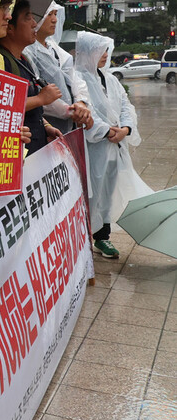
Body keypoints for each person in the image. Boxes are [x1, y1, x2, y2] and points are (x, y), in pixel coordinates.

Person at [73, 32, 152, 259]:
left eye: (107, 50)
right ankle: (83, 238)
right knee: (90, 193)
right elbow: (85, 112)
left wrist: (125, 129)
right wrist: (107, 131)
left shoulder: (111, 79)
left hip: (114, 145)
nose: (105, 55)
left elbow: (126, 106)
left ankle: (102, 237)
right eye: (100, 51)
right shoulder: (78, 78)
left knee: (107, 192)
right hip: (94, 147)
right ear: (87, 52)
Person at [0, 0, 63, 155]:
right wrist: (40, 99)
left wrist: (46, 127)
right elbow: (1, 108)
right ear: (10, 27)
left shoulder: (24, 60)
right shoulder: (2, 62)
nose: (35, 24)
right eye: (28, 18)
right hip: (20, 156)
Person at [24, 1, 92, 134]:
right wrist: (71, 111)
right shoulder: (28, 51)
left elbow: (74, 80)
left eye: (55, 14)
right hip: (47, 127)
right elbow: (39, 93)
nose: (55, 20)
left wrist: (81, 102)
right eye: (49, 14)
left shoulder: (53, 48)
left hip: (69, 123)